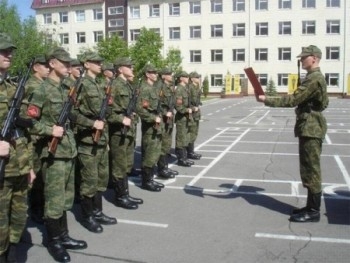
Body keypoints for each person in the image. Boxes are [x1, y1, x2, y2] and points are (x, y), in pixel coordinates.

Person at [26, 47, 87, 262]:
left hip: (67, 150)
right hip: (52, 154)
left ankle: (64, 235)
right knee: (54, 200)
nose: (69, 67)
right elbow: (28, 121)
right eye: (65, 63)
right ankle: (54, 242)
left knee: (65, 198)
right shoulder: (41, 90)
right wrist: (49, 130)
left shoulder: (64, 89)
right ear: (52, 63)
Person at [258, 45, 328, 223]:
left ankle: (313, 211)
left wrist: (267, 100)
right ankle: (311, 206)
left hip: (311, 127)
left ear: (314, 58)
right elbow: (324, 103)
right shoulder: (314, 77)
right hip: (310, 126)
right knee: (308, 168)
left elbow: (293, 100)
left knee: (311, 169)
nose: (301, 60)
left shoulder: (314, 79)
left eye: (304, 57)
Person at [0, 32, 36, 263]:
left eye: (10, 51)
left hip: (19, 165)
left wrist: (30, 165)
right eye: (3, 51)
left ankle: (11, 255)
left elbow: (25, 131)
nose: (9, 55)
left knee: (19, 217)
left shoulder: (12, 86)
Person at [74, 51, 117, 233]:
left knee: (101, 179)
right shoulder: (80, 85)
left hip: (101, 140)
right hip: (87, 141)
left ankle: (98, 211)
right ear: (86, 64)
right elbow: (72, 113)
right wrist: (91, 123)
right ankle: (87, 216)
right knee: (88, 181)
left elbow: (104, 115)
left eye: (101, 62)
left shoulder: (100, 85)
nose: (100, 64)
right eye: (96, 62)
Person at [107, 57, 143, 208]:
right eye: (129, 66)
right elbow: (107, 112)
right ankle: (120, 197)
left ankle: (125, 194)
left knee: (126, 164)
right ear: (120, 69)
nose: (132, 68)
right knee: (119, 165)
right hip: (118, 133)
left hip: (127, 131)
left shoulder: (127, 85)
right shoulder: (114, 85)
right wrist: (121, 119)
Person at [25, 54, 50, 225]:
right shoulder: (32, 86)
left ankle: (41, 206)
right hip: (34, 138)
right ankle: (36, 209)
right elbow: (30, 117)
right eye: (45, 65)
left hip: (43, 137)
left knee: (42, 174)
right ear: (35, 67)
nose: (48, 68)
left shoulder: (43, 85)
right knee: (35, 176)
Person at [136, 64, 165, 192]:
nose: (156, 75)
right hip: (150, 127)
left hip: (157, 127)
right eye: (153, 72)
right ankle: (146, 181)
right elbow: (140, 109)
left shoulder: (153, 88)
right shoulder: (144, 88)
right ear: (147, 74)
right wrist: (153, 119)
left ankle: (150, 179)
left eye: (156, 72)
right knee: (149, 154)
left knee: (154, 154)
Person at [156, 68, 178, 178]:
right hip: (163, 120)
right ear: (163, 76)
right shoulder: (160, 87)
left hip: (169, 120)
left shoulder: (169, 87)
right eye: (169, 74)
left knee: (167, 144)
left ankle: (165, 167)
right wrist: (165, 113)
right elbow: (157, 105)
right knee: (163, 145)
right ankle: (161, 169)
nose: (171, 75)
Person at [174, 71, 195, 167]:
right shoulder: (179, 89)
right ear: (181, 78)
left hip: (186, 117)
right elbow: (178, 106)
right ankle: (181, 159)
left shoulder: (185, 89)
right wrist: (186, 110)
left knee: (186, 137)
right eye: (185, 77)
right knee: (181, 138)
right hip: (181, 117)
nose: (188, 78)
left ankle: (185, 157)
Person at [187, 71, 202, 160]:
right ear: (192, 78)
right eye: (196, 77)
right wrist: (192, 108)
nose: (198, 79)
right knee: (191, 132)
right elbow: (188, 102)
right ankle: (189, 152)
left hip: (196, 113)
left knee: (195, 132)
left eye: (198, 77)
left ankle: (191, 151)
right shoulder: (190, 88)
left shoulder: (196, 87)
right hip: (192, 113)